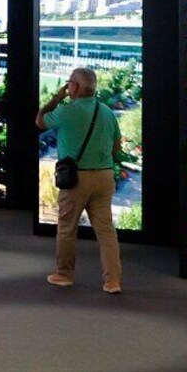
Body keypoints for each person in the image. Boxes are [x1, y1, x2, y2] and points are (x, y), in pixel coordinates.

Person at [35, 67, 123, 294]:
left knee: (67, 228)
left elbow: (40, 121)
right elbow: (117, 147)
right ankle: (112, 281)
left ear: (73, 87)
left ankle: (64, 274)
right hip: (104, 176)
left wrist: (57, 96)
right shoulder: (107, 112)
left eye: (69, 83)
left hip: (76, 180)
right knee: (106, 231)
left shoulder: (66, 111)